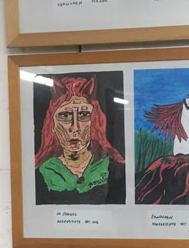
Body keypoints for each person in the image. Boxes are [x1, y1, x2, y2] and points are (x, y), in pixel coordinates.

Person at [35, 75, 125, 204]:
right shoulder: (43, 171)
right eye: (65, 115)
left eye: (84, 115)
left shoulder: (110, 167)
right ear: (52, 125)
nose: (75, 128)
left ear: (94, 123)